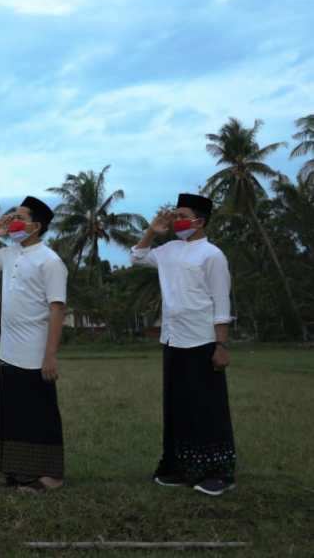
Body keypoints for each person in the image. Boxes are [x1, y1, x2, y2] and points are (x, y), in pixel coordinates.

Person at [132, 193, 236, 496]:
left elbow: (220, 303)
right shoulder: (168, 251)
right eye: (174, 216)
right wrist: (153, 230)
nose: (176, 221)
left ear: (199, 221)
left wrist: (222, 345)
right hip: (173, 340)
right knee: (178, 407)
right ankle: (180, 467)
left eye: (182, 216)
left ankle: (219, 473)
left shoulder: (212, 255)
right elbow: (137, 256)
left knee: (207, 407)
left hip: (203, 342)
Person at [0, 196, 67, 493]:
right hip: (9, 350)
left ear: (37, 226)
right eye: (13, 215)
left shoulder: (50, 261)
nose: (14, 220)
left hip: (36, 352)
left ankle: (51, 476)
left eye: (21, 217)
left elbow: (57, 309)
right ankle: (19, 471)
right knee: (14, 415)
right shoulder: (11, 254)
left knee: (41, 415)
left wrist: (50, 355)